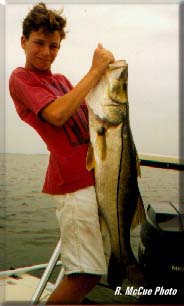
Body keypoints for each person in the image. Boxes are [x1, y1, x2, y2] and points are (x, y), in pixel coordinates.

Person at [9, 2, 115, 304]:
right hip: (71, 183)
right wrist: (95, 70)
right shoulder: (21, 78)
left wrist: (108, 76)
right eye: (39, 42)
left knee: (90, 272)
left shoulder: (63, 82)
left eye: (53, 45)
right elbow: (56, 114)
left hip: (95, 180)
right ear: (23, 42)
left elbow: (95, 115)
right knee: (84, 274)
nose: (46, 51)